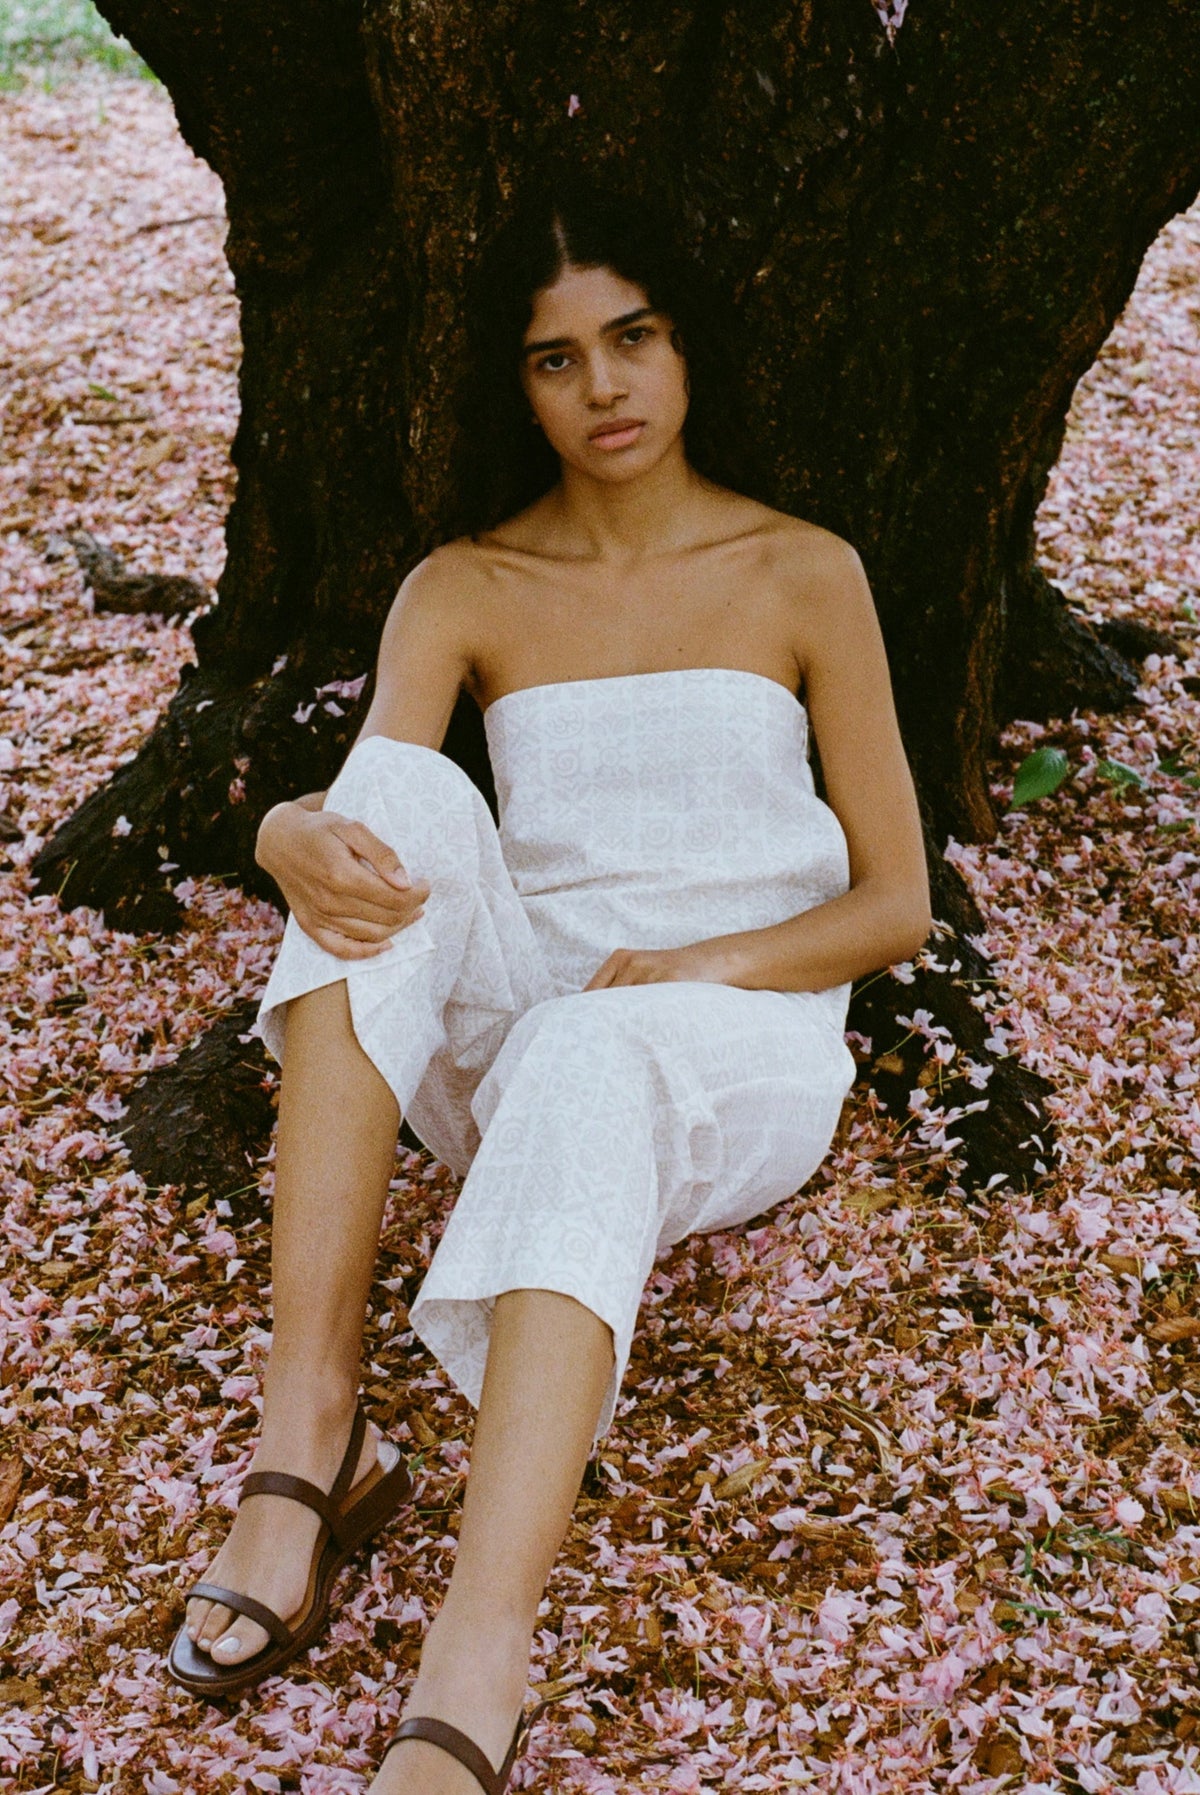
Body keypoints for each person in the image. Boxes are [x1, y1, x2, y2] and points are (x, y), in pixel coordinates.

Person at [165, 176, 931, 1795]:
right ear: (511, 387)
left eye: (633, 338)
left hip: (734, 1050)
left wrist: (709, 959)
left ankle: (478, 1651)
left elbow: (895, 907)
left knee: (593, 1047)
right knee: (398, 803)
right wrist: (292, 826)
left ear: (687, 346)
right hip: (524, 1041)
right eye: (555, 358)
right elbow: (375, 829)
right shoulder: (467, 585)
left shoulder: (806, 572)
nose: (605, 389)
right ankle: (312, 1433)